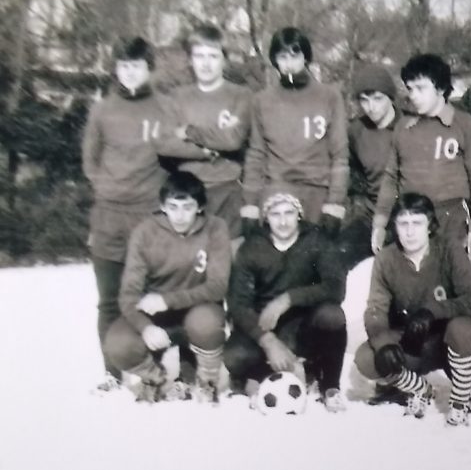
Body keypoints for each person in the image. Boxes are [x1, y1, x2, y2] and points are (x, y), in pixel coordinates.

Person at [82, 36, 169, 389]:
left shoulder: (165, 107)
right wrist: (111, 189)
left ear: (149, 68)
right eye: (123, 66)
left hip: (150, 216)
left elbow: (175, 159)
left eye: (136, 66)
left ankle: (153, 373)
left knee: (149, 298)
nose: (129, 72)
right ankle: (111, 375)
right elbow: (90, 162)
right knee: (109, 301)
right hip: (109, 216)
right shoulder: (103, 109)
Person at [355, 192, 471, 426]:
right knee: (366, 358)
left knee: (464, 330)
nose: (410, 231)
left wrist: (433, 311)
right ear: (394, 227)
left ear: (430, 225)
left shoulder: (450, 250)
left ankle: (460, 400)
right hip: (413, 341)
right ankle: (420, 389)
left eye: (417, 223)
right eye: (403, 224)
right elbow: (375, 309)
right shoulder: (386, 259)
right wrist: (383, 345)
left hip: (448, 340)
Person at [104, 171, 232, 403]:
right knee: (118, 343)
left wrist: (167, 300)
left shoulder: (216, 228)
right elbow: (128, 295)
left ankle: (207, 381)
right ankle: (156, 380)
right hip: (157, 315)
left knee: (207, 323)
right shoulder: (145, 233)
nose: (179, 216)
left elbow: (218, 286)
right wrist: (145, 328)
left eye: (187, 207)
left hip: (198, 309)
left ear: (200, 207)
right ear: (163, 206)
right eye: (173, 207)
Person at [224, 191, 348, 412]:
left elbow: (335, 287)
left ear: (299, 215)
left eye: (289, 213)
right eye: (275, 214)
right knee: (235, 356)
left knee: (332, 316)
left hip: (303, 325)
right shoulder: (252, 247)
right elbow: (238, 304)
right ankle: (260, 378)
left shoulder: (317, 240)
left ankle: (329, 386)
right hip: (264, 325)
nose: (283, 221)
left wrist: (288, 299)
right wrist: (268, 341)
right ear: (266, 218)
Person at [371, 54, 471, 263]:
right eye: (410, 89)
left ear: (441, 88)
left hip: (452, 219)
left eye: (420, 88)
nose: (413, 96)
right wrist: (379, 224)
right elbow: (390, 178)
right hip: (411, 219)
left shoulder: (466, 125)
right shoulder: (403, 127)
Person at [241, 27, 349, 238]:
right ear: (274, 61)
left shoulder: (329, 97)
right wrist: (251, 203)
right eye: (282, 57)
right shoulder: (261, 101)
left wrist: (335, 203)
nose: (289, 63)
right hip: (276, 193)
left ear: (306, 57)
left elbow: (340, 154)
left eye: (295, 56)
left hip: (316, 192)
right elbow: (256, 154)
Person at [155, 24, 251, 252]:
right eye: (199, 56)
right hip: (186, 194)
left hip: (227, 191)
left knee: (228, 260)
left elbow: (233, 140)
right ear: (190, 59)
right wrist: (206, 151)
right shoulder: (176, 97)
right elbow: (164, 143)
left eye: (213, 56)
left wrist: (189, 132)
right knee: (189, 263)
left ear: (224, 60)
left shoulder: (241, 95)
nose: (206, 63)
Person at [339, 63, 400, 269]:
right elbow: (352, 171)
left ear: (390, 97)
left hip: (406, 215)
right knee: (335, 254)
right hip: (371, 214)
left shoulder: (410, 126)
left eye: (377, 98)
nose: (371, 107)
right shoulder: (356, 130)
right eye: (364, 100)